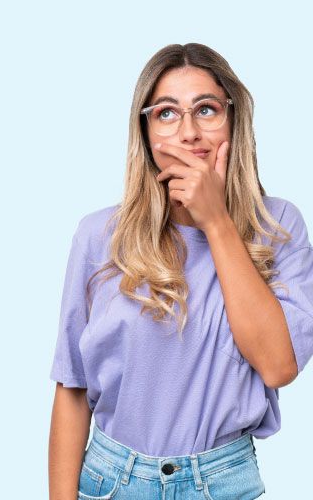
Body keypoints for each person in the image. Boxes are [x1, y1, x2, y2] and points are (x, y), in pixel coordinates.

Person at [47, 43, 313, 500]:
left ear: (234, 119)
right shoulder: (98, 236)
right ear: (146, 132)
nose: (189, 132)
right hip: (111, 481)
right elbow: (73, 388)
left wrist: (216, 222)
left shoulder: (278, 226)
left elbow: (277, 366)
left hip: (222, 483)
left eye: (206, 110)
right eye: (167, 114)